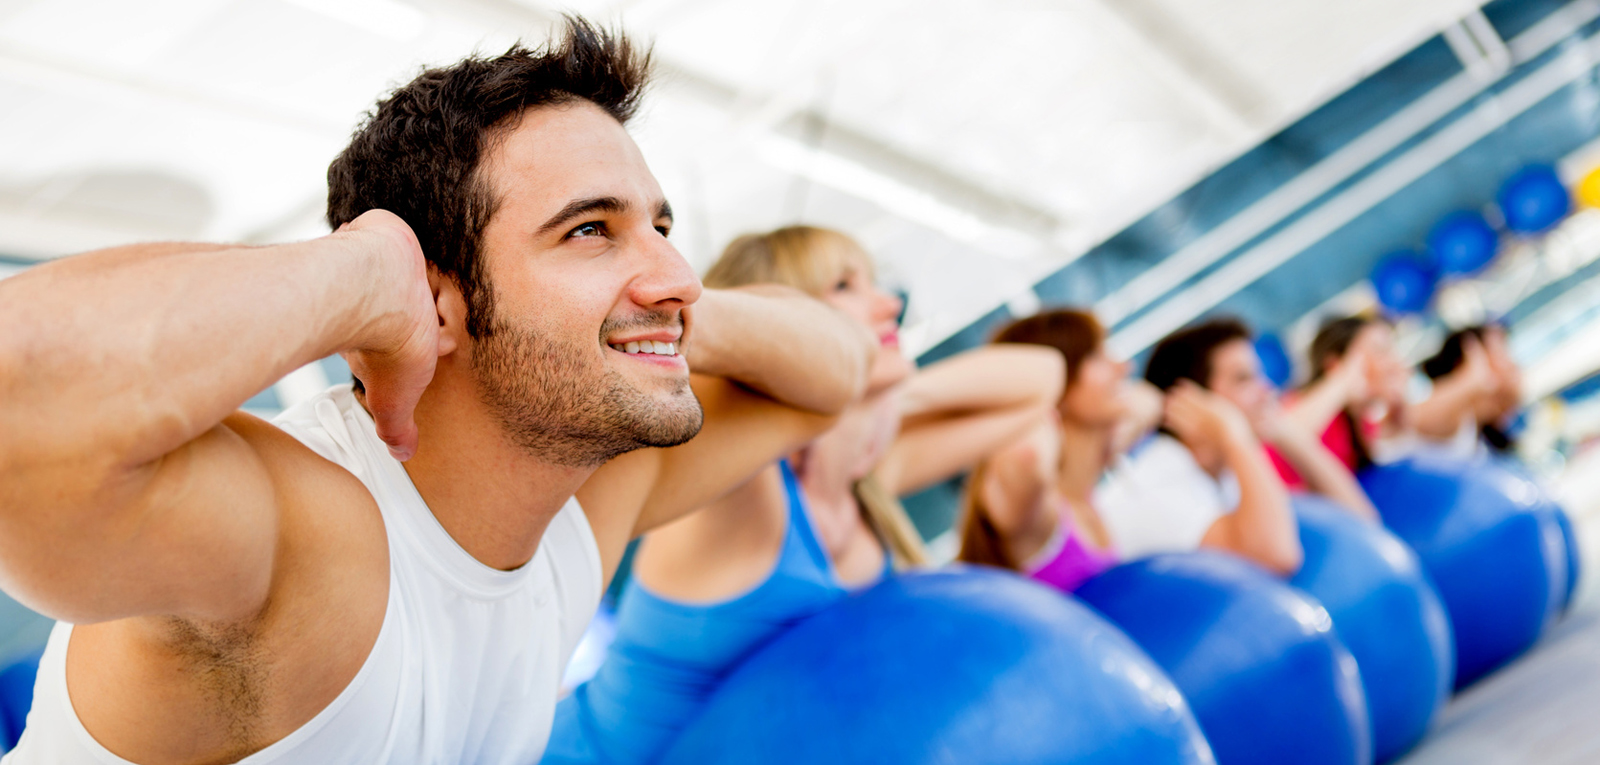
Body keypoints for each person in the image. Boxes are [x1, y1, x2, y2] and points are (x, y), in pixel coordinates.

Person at [0, 20, 878, 764]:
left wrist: (658, 308)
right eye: (588, 229)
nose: (677, 269)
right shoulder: (308, 533)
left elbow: (831, 376)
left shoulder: (578, 511)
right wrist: (360, 273)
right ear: (437, 300)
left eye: (659, 225)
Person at [545, 226, 1065, 764]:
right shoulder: (743, 488)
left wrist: (879, 394)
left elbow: (1041, 381)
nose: (889, 305)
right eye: (844, 286)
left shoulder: (868, 477)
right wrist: (831, 380)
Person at [1095, 318, 1309, 574]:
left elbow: (1361, 517)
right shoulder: (1160, 487)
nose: (1267, 390)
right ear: (1191, 402)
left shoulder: (1220, 469)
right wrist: (1234, 435)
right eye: (1244, 379)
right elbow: (1280, 558)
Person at [956, 310, 1143, 592]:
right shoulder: (1038, 509)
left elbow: (1149, 403)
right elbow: (1027, 458)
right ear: (1056, 381)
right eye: (1095, 356)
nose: (1123, 367)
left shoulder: (1081, 492)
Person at [1277, 315, 1412, 478]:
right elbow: (1280, 437)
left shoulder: (1361, 424)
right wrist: (1344, 380)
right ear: (1335, 364)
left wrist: (1397, 406)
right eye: (1381, 351)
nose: (1395, 361)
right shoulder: (1299, 404)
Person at [1416, 323, 1523, 457]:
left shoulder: (1478, 436)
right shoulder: (1455, 420)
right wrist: (1474, 379)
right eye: (1502, 352)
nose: (1513, 365)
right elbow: (1414, 422)